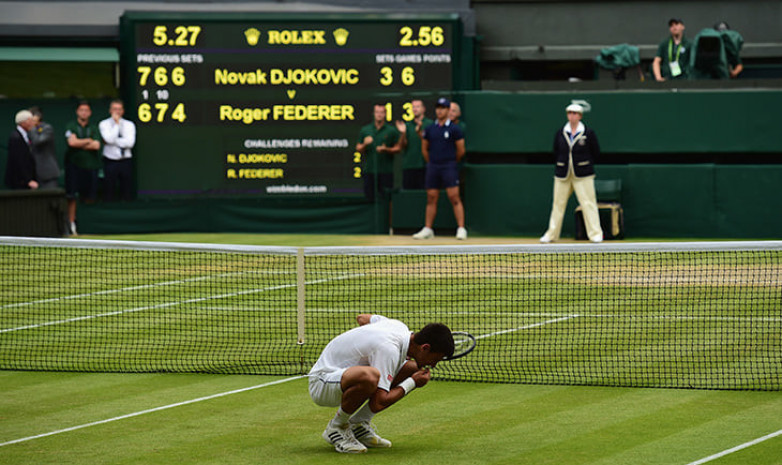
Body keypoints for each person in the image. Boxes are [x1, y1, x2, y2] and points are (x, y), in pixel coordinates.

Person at [308, 314, 454, 454]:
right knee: (370, 376)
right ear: (425, 348)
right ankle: (337, 427)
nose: (434, 365)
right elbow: (380, 402)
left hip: (342, 376)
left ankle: (358, 424)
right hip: (322, 382)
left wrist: (362, 346)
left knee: (411, 368)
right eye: (436, 359)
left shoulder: (398, 326)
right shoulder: (389, 349)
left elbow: (362, 318)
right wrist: (413, 383)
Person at [540, 103, 603, 243]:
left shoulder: (588, 133)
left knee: (588, 204)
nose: (572, 116)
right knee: (557, 205)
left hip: (583, 175)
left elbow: (596, 152)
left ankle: (595, 234)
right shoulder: (560, 133)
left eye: (575, 113)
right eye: (569, 113)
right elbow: (556, 151)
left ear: (580, 116)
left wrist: (584, 164)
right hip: (562, 174)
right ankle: (551, 235)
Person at [412, 97, 467, 240]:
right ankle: (428, 229)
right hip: (433, 167)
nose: (439, 111)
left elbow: (461, 150)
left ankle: (461, 228)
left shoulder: (455, 129)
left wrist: (450, 161)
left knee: (454, 197)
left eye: (443, 108)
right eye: (438, 108)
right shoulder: (430, 129)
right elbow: (425, 149)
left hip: (449, 166)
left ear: (448, 110)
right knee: (431, 197)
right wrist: (432, 162)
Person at [64, 100, 101, 235]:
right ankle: (71, 225)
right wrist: (88, 141)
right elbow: (72, 142)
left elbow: (97, 145)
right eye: (81, 110)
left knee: (89, 196)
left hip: (91, 167)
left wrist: (80, 142)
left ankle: (88, 225)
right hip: (74, 166)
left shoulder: (94, 127)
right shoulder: (71, 126)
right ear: (77, 112)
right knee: (72, 196)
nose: (84, 113)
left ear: (90, 113)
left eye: (86, 110)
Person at [355, 104, 400, 201]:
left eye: (381, 112)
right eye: (377, 112)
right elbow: (358, 148)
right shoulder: (365, 130)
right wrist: (365, 144)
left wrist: (386, 149)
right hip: (370, 171)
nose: (379, 114)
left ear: (385, 114)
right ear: (373, 114)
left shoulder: (391, 130)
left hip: (386, 171)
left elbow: (398, 148)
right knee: (369, 198)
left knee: (387, 199)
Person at [99, 99, 136, 201]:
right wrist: (116, 125)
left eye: (119, 109)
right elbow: (108, 139)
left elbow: (130, 143)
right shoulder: (104, 124)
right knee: (109, 189)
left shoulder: (129, 125)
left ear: (123, 111)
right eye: (115, 109)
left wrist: (115, 141)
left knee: (126, 189)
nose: (117, 112)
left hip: (126, 160)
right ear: (110, 110)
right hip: (110, 160)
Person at [394, 99, 433, 190]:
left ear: (423, 109)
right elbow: (402, 146)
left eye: (418, 106)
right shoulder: (406, 126)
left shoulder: (430, 124)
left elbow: (432, 144)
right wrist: (403, 133)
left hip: (425, 165)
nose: (415, 109)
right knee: (409, 194)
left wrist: (420, 132)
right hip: (409, 165)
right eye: (413, 107)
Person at [4, 110, 39, 190]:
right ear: (23, 122)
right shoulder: (15, 137)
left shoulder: (25, 135)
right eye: (30, 121)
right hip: (19, 183)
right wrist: (28, 180)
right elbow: (18, 160)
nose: (32, 123)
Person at [28, 106, 60, 190]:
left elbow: (38, 142)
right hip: (33, 174)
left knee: (50, 200)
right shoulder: (27, 130)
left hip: (47, 173)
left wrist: (32, 128)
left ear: (37, 117)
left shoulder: (47, 128)